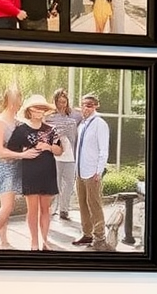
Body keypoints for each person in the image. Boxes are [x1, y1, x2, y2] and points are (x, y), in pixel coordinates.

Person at [4, 95, 62, 251]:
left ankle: (45, 241)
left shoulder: (51, 130)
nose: (39, 111)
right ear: (29, 110)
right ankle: (34, 242)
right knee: (32, 210)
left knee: (45, 209)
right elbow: (10, 150)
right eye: (36, 108)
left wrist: (49, 147)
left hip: (48, 172)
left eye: (42, 108)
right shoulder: (21, 130)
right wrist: (24, 152)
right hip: (30, 173)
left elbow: (59, 150)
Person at [0, 85, 29, 249]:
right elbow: (0, 152)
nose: (19, 103)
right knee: (7, 206)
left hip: (16, 166)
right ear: (11, 102)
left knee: (8, 207)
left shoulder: (17, 122)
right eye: (18, 100)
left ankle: (4, 240)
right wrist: (23, 155)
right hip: (4, 166)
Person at [73, 93, 111, 249]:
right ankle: (87, 234)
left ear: (96, 105)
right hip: (80, 172)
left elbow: (104, 150)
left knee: (94, 204)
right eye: (83, 104)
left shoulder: (100, 124)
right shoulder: (82, 125)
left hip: (92, 173)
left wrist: (98, 171)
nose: (85, 107)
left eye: (89, 105)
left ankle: (99, 236)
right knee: (82, 204)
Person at [46, 88, 82, 221]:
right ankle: (52, 209)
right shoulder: (49, 117)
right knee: (55, 184)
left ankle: (64, 210)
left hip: (70, 155)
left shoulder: (74, 115)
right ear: (54, 102)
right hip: (54, 156)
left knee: (69, 183)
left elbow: (85, 113)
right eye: (59, 102)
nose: (62, 104)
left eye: (64, 101)